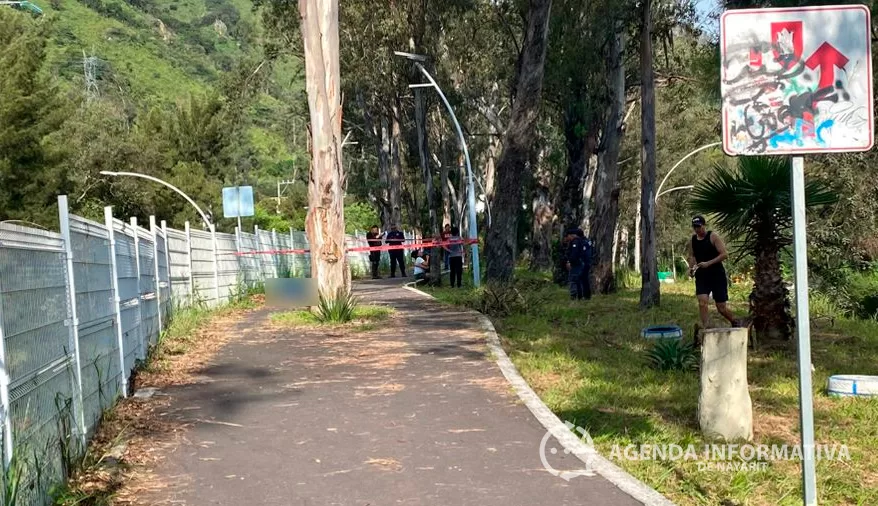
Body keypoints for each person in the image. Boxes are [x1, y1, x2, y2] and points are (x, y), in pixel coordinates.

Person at [687, 215, 738, 329]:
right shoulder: (693, 240)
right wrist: (690, 268)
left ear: (704, 225)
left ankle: (734, 321)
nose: (697, 229)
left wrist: (708, 263)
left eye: (699, 227)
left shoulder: (713, 236)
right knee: (702, 302)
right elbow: (692, 256)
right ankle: (706, 328)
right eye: (695, 227)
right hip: (702, 276)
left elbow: (724, 254)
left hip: (716, 275)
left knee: (721, 308)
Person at [565, 228, 589, 300]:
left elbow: (574, 254)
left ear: (571, 235)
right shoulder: (580, 241)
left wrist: (570, 262)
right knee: (578, 280)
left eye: (567, 236)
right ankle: (580, 296)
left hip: (576, 264)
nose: (567, 238)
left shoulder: (575, 242)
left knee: (573, 279)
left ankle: (574, 295)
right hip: (580, 263)